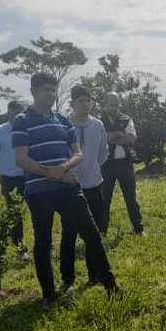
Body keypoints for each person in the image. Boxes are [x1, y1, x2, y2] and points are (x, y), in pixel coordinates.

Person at [12, 74, 121, 305]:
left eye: (53, 90)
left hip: (68, 187)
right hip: (39, 191)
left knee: (91, 233)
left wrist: (63, 168)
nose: (50, 94)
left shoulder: (63, 120)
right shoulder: (22, 120)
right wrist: (48, 171)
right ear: (33, 91)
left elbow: (78, 153)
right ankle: (49, 295)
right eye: (45, 90)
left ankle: (110, 284)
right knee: (43, 242)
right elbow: (21, 158)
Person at [59, 85, 110, 290]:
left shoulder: (97, 125)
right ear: (73, 103)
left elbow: (102, 152)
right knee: (69, 233)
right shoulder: (64, 125)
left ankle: (93, 273)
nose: (85, 104)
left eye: (88, 100)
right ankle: (67, 278)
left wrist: (93, 168)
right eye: (81, 101)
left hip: (94, 184)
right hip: (70, 186)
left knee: (94, 232)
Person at [0, 100, 26, 248]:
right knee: (15, 213)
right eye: (14, 112)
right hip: (9, 178)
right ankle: (18, 245)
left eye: (21, 112)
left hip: (30, 175)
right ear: (8, 112)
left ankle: (45, 245)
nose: (18, 115)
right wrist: (1, 166)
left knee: (39, 209)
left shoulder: (29, 129)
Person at [101, 93, 143, 235]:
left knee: (131, 198)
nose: (114, 107)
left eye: (116, 104)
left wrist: (111, 137)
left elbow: (131, 139)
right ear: (105, 104)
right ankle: (102, 231)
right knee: (104, 199)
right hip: (106, 165)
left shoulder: (127, 119)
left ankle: (138, 228)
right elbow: (100, 140)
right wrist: (118, 134)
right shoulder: (98, 121)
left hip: (125, 164)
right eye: (111, 104)